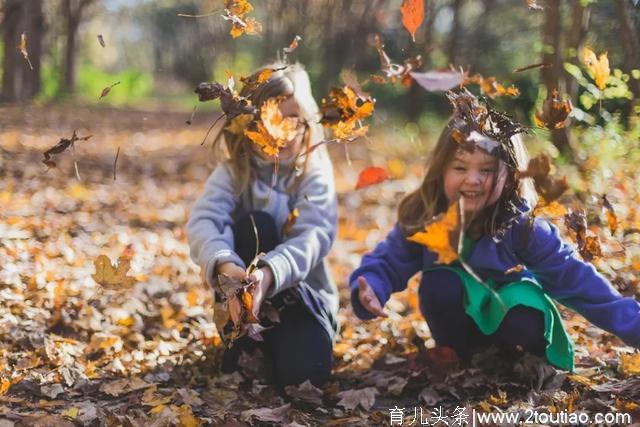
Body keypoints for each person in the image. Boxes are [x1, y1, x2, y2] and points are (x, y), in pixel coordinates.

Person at [349, 90, 640, 371]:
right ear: (441, 169)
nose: (472, 180)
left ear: (510, 176)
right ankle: (460, 354)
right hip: (458, 327)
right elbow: (389, 259)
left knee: (522, 308)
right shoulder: (426, 215)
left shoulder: (522, 225)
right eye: (460, 168)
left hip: (514, 326)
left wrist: (634, 326)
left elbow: (576, 279)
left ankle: (517, 360)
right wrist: (373, 286)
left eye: (486, 170)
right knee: (440, 284)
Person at [187, 63, 338, 387]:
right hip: (240, 301)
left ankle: (290, 347)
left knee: (306, 377)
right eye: (268, 118)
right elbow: (204, 220)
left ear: (306, 122)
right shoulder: (234, 172)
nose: (280, 131)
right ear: (247, 124)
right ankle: (243, 342)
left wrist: (268, 275)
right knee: (256, 224)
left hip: (302, 302)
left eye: (291, 119)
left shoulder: (313, 172)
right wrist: (226, 266)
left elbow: (314, 235)